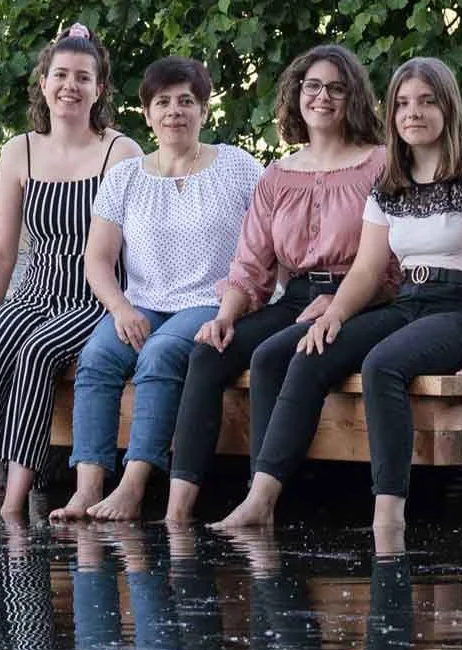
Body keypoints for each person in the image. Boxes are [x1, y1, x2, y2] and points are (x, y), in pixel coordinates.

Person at [212, 57, 462, 531]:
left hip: (461, 309)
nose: (413, 113)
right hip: (408, 302)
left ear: (448, 108)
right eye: (403, 104)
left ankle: (387, 512)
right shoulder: (390, 180)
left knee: (381, 366)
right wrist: (334, 315)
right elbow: (369, 268)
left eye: (426, 102)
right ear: (391, 114)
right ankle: (262, 499)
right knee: (312, 351)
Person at [161, 44, 393, 523]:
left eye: (336, 87)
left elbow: (394, 259)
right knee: (208, 352)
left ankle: (260, 500)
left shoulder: (380, 164)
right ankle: (177, 509)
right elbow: (251, 263)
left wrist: (342, 299)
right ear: (297, 94)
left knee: (274, 356)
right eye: (313, 86)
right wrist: (225, 316)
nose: (322, 97)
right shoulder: (278, 175)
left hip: (362, 298)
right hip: (298, 297)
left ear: (353, 96)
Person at [0, 24, 141, 525]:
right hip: (35, 290)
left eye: (82, 77)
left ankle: (13, 503)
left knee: (37, 353)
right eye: (60, 75)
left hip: (92, 296)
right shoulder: (18, 151)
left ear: (99, 89)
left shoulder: (119, 151)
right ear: (43, 83)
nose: (70, 85)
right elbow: (1, 252)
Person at [49, 57, 262, 522]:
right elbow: (98, 260)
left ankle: (133, 485)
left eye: (186, 101)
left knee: (160, 355)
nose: (174, 112)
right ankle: (87, 487)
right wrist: (121, 309)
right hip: (142, 303)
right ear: (146, 114)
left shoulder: (237, 166)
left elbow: (267, 242)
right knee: (98, 358)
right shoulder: (126, 177)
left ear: (204, 110)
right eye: (162, 102)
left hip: (210, 302)